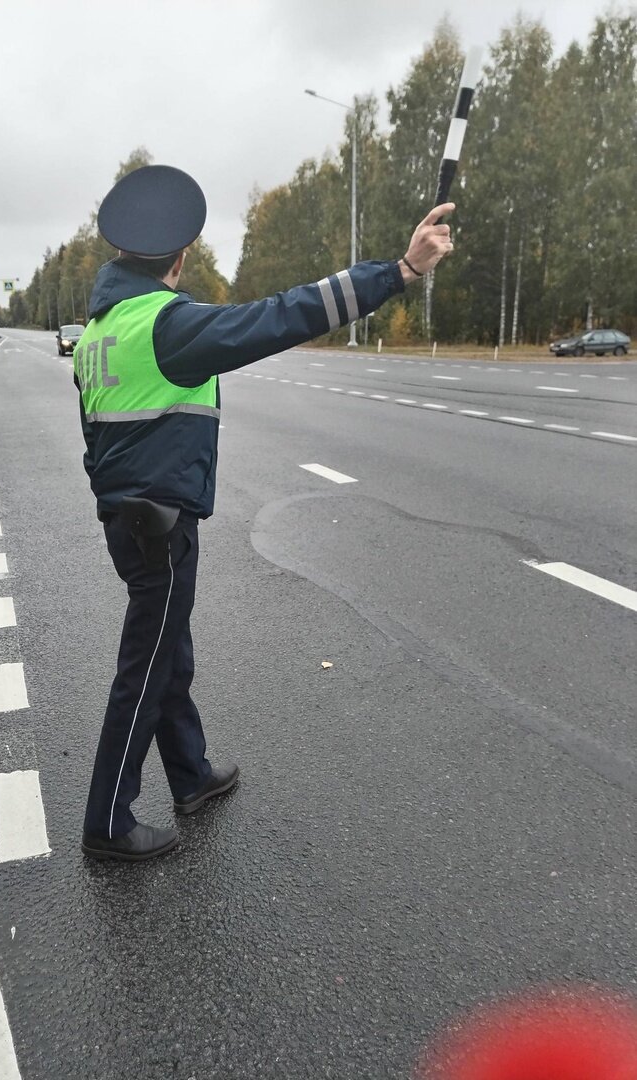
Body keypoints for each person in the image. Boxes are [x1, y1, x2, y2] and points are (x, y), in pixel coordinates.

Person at [74, 164, 455, 861]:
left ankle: (189, 774)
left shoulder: (99, 332)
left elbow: (95, 438)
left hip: (128, 519)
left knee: (167, 651)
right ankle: (107, 821)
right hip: (159, 523)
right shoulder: (166, 325)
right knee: (145, 667)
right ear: (181, 256)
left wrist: (116, 502)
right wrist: (398, 271)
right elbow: (282, 315)